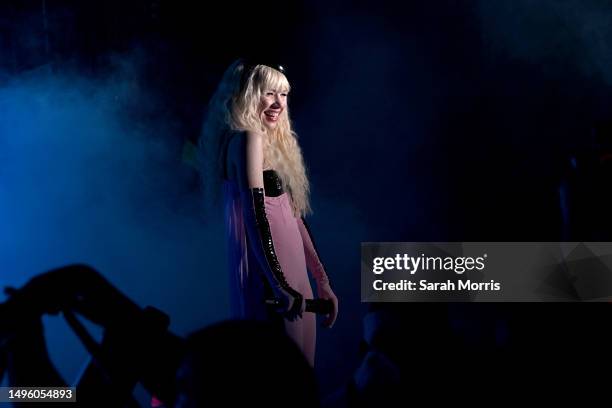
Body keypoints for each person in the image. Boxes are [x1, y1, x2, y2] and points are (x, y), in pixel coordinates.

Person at [198, 59, 338, 366]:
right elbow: (254, 214)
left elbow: (295, 218)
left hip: (293, 279)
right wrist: (279, 283)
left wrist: (322, 281)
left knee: (300, 378)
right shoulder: (247, 138)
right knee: (279, 382)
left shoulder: (272, 143)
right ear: (248, 94)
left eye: (284, 94)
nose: (278, 103)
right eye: (269, 93)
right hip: (272, 278)